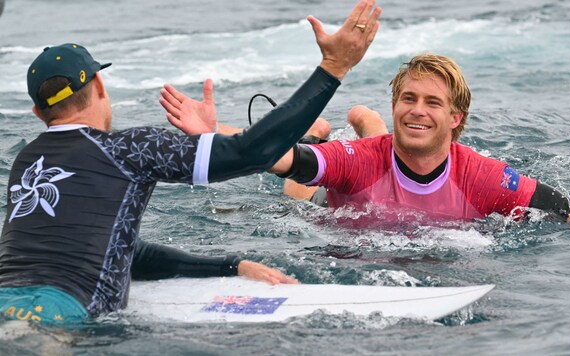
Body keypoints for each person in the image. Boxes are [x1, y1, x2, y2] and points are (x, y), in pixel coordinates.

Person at [0, 0, 382, 323]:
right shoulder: (127, 148)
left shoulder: (26, 163)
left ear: (37, 112)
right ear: (100, 86)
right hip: (57, 313)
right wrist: (333, 69)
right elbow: (251, 153)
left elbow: (120, 251)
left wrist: (229, 266)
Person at [160, 53, 570, 231]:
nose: (416, 108)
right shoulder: (359, 162)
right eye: (407, 98)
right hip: (357, 174)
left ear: (456, 118)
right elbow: (279, 160)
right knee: (298, 190)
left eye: (433, 102)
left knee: (373, 139)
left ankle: (362, 119)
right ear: (395, 103)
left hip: (383, 156)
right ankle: (322, 131)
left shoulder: (481, 176)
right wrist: (214, 139)